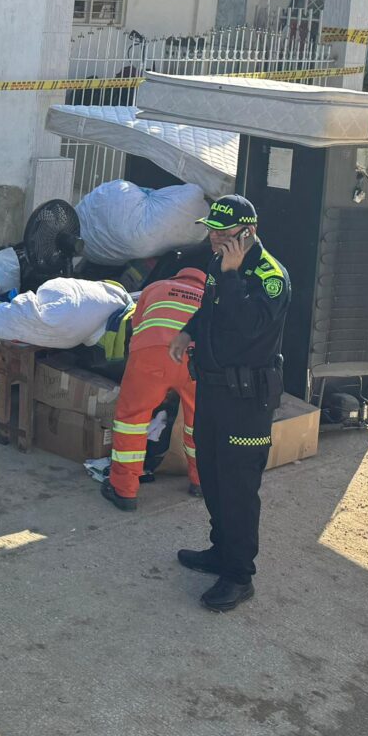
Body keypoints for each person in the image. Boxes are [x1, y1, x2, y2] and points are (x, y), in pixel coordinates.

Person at [169, 195, 289, 612]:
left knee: (238, 488)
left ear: (247, 233)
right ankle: (220, 551)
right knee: (213, 476)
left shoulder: (270, 277)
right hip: (212, 390)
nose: (214, 238)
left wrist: (234, 275)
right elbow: (211, 310)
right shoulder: (219, 264)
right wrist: (188, 331)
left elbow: (248, 326)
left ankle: (239, 576)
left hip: (246, 400)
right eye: (211, 230)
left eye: (223, 233)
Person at [102, 265, 206, 512]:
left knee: (132, 420)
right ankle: (201, 482)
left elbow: (137, 326)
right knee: (201, 423)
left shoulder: (156, 288)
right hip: (196, 361)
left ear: (177, 276)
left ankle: (124, 491)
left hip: (152, 355)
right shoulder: (211, 296)